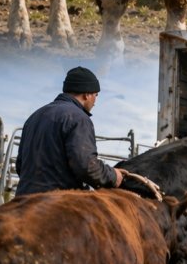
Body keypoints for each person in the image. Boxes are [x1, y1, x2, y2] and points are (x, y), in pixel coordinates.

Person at [15, 66, 125, 197]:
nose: (95, 101)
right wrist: (113, 176)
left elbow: (20, 165)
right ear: (87, 94)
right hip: (56, 202)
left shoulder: (34, 117)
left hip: (23, 200)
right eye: (96, 95)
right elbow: (86, 166)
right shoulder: (78, 118)